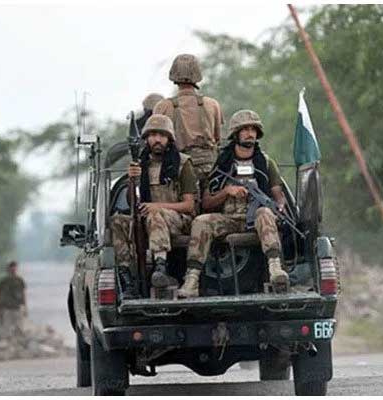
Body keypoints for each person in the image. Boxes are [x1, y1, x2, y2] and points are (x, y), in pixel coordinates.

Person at [178, 109, 289, 298]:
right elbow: (206, 202)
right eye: (245, 129)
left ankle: (275, 269)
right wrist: (226, 192)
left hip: (256, 220)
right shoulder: (222, 164)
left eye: (253, 129)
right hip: (229, 219)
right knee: (201, 221)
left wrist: (278, 206)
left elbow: (278, 194)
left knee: (265, 213)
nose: (250, 133)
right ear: (235, 134)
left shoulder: (266, 163)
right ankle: (192, 280)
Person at [111, 114, 198, 298]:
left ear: (169, 139)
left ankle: (160, 266)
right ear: (146, 139)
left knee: (154, 214)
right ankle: (126, 278)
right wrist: (133, 180)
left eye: (162, 135)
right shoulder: (141, 164)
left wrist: (156, 206)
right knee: (118, 220)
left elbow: (189, 205)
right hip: (148, 219)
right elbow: (132, 203)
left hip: (178, 220)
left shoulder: (183, 164)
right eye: (152, 135)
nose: (157, 139)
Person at [153, 54, 224, 190]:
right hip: (210, 168)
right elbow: (217, 138)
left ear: (173, 74)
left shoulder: (162, 106)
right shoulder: (212, 104)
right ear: (197, 74)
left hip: (177, 167)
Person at [0, 261, 27, 340]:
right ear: (8, 269)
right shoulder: (3, 281)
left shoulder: (20, 280)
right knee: (6, 329)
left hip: (17, 307)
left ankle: (17, 345)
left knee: (19, 329)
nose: (13, 269)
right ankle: (7, 345)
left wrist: (25, 307)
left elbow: (23, 294)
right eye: (11, 267)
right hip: (6, 308)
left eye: (14, 267)